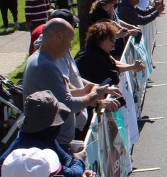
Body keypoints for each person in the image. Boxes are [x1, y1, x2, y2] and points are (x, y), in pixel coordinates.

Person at [0, 91, 99, 177]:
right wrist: (79, 161)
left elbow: (67, 160)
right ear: (50, 127)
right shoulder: (32, 149)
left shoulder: (42, 137)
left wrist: (80, 171)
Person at [23, 19, 113, 151]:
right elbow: (67, 105)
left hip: (55, 140)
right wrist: (93, 96)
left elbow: (57, 95)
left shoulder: (42, 60)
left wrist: (83, 91)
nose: (70, 46)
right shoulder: (45, 66)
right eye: (70, 40)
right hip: (54, 143)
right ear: (59, 37)